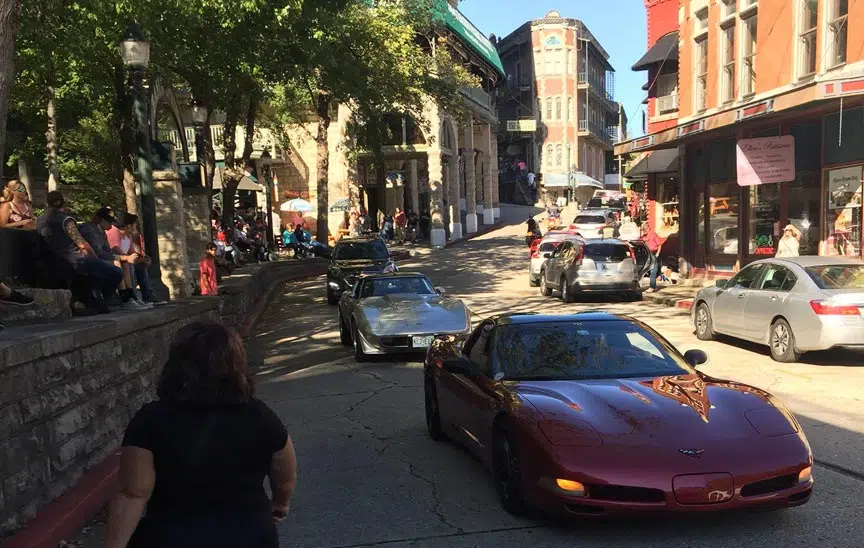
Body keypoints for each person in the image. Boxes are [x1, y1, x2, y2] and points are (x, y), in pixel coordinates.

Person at [104, 322, 297, 547]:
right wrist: (281, 503)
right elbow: (284, 474)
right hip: (249, 535)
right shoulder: (261, 416)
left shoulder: (150, 421)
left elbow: (133, 493)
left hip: (173, 536)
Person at [38, 192, 123, 314]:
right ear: (63, 202)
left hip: (51, 261)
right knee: (116, 273)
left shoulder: (40, 220)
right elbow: (82, 244)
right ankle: (99, 298)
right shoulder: (66, 220)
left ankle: (89, 298)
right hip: (74, 260)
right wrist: (95, 259)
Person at [80, 207, 149, 309]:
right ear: (101, 220)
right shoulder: (89, 230)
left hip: (101, 258)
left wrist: (124, 258)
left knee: (124, 262)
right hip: (91, 260)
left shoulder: (102, 231)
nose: (111, 225)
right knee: (118, 262)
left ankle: (130, 295)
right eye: (109, 221)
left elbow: (108, 250)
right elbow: (98, 252)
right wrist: (122, 257)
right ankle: (124, 297)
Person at [641, 223, 663, 292]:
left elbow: (659, 244)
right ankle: (653, 286)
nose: (644, 231)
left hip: (653, 253)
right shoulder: (644, 236)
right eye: (643, 230)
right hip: (648, 254)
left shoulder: (653, 234)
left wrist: (657, 253)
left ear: (647, 228)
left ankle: (652, 287)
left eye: (644, 230)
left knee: (653, 270)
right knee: (651, 270)